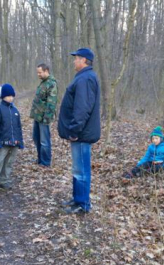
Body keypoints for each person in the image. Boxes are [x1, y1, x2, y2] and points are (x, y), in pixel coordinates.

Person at [58, 48, 100, 214]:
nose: (74, 61)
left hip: (82, 134)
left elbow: (82, 108)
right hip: (80, 133)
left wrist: (74, 130)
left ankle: (83, 204)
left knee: (82, 170)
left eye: (76, 59)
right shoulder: (84, 77)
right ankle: (77, 199)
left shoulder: (86, 79)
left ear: (83, 61)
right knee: (78, 169)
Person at [0, 84, 24, 194]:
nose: (10, 98)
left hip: (14, 142)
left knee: (9, 163)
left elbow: (18, 127)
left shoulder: (15, 111)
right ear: (3, 96)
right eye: (8, 96)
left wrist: (20, 141)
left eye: (12, 96)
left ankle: (3, 180)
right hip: (2, 142)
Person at [30, 63, 58, 167]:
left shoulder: (51, 83)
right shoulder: (43, 83)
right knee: (36, 138)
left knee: (44, 141)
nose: (38, 74)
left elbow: (51, 103)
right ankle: (40, 159)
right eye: (37, 72)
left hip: (44, 118)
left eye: (40, 72)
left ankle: (45, 162)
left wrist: (47, 118)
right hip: (38, 116)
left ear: (46, 71)